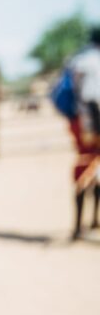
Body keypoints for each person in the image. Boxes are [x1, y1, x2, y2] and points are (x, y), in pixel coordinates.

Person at [68, 26, 100, 239]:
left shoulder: (79, 60)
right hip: (92, 120)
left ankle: (85, 224)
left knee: (90, 165)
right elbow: (89, 96)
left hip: (82, 120)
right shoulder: (91, 62)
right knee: (91, 165)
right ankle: (86, 224)